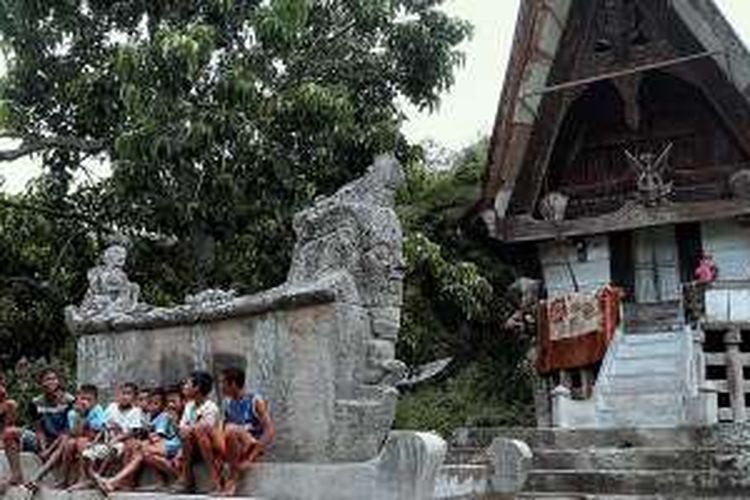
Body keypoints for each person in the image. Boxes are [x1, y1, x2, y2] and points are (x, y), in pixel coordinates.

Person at [1, 368, 74, 487]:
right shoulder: (36, 403)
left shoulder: (70, 401)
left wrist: (49, 451)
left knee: (66, 439)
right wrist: (43, 448)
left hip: (61, 441)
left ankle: (45, 477)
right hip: (44, 440)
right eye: (47, 379)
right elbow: (39, 429)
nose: (51, 382)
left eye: (54, 379)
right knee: (9, 432)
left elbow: (67, 431)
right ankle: (16, 475)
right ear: (41, 383)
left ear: (59, 381)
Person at [28, 384, 106, 489]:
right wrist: (80, 415)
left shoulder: (97, 410)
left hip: (94, 442)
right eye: (82, 398)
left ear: (95, 401)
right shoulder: (72, 413)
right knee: (68, 443)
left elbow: (94, 433)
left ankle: (82, 478)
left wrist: (83, 417)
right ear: (77, 398)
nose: (84, 402)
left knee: (79, 442)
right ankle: (60, 479)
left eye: (89, 399)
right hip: (78, 439)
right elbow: (75, 433)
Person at [73, 382, 145, 489]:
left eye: (128, 394)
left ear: (134, 398)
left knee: (111, 450)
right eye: (122, 393)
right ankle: (90, 478)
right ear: (118, 394)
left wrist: (116, 438)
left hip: (121, 444)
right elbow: (104, 426)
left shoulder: (136, 411)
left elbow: (131, 432)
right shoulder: (112, 407)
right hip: (107, 441)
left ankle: (99, 477)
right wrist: (95, 441)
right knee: (86, 454)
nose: (124, 396)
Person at [220, 367, 275, 496]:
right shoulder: (227, 403)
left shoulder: (255, 401)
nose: (221, 386)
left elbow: (270, 430)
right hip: (236, 444)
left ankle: (233, 480)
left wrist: (251, 457)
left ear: (233, 383)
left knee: (230, 429)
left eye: (223, 382)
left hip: (252, 447)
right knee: (227, 430)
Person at [172, 371, 222, 493]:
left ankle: (214, 479)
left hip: (210, 446)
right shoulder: (189, 406)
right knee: (187, 433)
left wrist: (188, 429)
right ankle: (187, 479)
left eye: (187, 384)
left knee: (198, 430)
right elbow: (181, 430)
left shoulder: (211, 407)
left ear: (197, 387)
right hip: (191, 446)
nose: (184, 387)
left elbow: (205, 431)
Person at [0, 372, 19, 492]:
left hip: (10, 435)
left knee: (9, 433)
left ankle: (16, 475)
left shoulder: (8, 404)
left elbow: (10, 426)